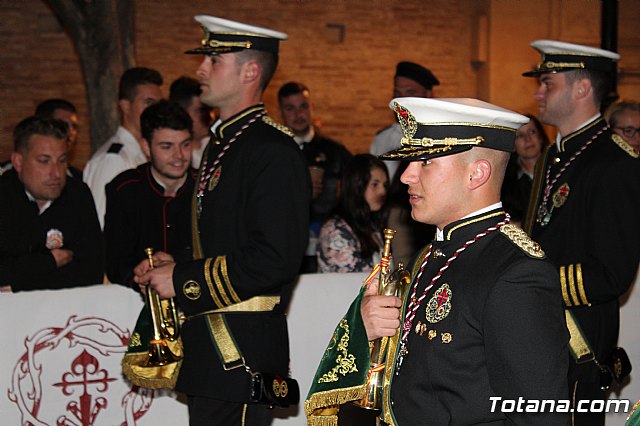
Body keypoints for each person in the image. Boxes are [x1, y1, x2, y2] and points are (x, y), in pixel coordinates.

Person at [306, 98, 569, 425]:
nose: (405, 176)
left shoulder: (516, 273)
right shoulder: (430, 254)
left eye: (425, 162)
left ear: (477, 173)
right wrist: (372, 330)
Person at [133, 15, 310, 426]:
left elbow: (274, 258)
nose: (200, 69)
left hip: (240, 355)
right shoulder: (224, 144)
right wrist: (171, 262)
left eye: (214, 60)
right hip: (212, 354)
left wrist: (181, 279)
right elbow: (219, 240)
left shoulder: (272, 151)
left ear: (250, 71)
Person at [522, 40, 640, 425]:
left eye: (548, 82)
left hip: (580, 340)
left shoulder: (615, 163)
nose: (538, 92)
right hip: (541, 332)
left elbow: (612, 272)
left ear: (582, 88)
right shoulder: (552, 157)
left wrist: (534, 283)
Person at [0, 117, 104, 292]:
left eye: (62, 160)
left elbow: (91, 273)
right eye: (44, 161)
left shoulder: (77, 195)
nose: (56, 173)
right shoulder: (4, 196)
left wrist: (18, 285)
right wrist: (49, 261)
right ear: (18, 162)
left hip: (64, 312)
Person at [104, 100, 196, 287]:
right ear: (146, 147)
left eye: (185, 145)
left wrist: (178, 262)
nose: (179, 156)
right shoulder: (125, 189)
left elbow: (221, 251)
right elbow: (114, 261)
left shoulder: (205, 186)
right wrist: (137, 278)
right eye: (166, 147)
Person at [277, 81, 352, 273]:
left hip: (331, 246)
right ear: (280, 112)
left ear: (312, 108)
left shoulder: (335, 151)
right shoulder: (274, 152)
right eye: (290, 108)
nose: (298, 114)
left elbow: (352, 194)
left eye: (303, 106)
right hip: (285, 246)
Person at [83, 67, 163, 228]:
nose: (156, 111)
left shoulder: (140, 152)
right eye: (148, 103)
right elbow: (100, 225)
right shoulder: (114, 159)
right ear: (125, 106)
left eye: (159, 104)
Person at [316, 154, 388, 273]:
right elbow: (351, 283)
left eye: (385, 185)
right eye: (375, 184)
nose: (383, 191)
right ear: (356, 185)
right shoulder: (336, 230)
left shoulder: (370, 224)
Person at [370, 61, 439, 181]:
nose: (401, 101)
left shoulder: (441, 137)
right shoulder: (383, 139)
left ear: (428, 95)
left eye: (410, 93)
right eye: (397, 93)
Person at [501, 114, 548, 226]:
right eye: (520, 136)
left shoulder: (556, 170)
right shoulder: (505, 183)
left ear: (541, 137)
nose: (528, 139)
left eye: (532, 132)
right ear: (513, 144)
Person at [169, 76, 214, 168]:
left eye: (209, 111)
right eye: (201, 111)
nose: (209, 117)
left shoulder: (215, 147)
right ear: (181, 112)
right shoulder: (169, 156)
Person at [35, 98, 83, 179]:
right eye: (63, 125)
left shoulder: (78, 180)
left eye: (74, 126)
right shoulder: (11, 177)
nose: (70, 132)